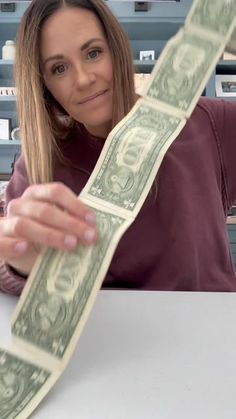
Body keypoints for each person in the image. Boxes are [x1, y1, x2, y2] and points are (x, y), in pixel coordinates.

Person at [0, 0, 235, 295]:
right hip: (105, 338)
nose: (84, 79)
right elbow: (10, 269)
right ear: (44, 84)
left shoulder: (206, 123)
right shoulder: (38, 166)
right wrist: (20, 266)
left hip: (209, 333)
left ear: (116, 50)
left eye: (93, 53)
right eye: (59, 68)